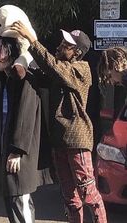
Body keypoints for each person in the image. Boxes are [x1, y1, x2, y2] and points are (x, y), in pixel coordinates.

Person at [10, 21, 107, 223]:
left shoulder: (81, 69)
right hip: (60, 140)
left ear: (77, 52)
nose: (61, 45)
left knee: (87, 191)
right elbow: (40, 75)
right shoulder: (61, 71)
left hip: (77, 139)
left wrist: (32, 39)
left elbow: (52, 66)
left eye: (68, 45)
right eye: (62, 42)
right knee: (69, 196)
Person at [0, 36, 53, 223]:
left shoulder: (26, 79)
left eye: (3, 54)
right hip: (8, 148)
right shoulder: (8, 78)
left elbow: (25, 116)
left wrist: (17, 151)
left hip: (20, 151)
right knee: (12, 197)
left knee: (19, 196)